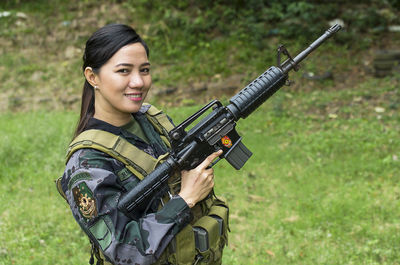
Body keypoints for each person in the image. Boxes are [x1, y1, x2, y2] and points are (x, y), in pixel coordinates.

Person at [56, 24, 229, 265]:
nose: (138, 82)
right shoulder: (86, 162)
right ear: (92, 77)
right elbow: (123, 250)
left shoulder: (153, 120)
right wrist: (186, 199)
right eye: (124, 71)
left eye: (144, 70)